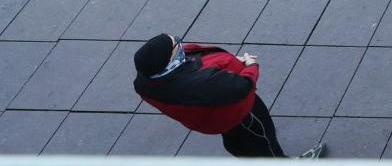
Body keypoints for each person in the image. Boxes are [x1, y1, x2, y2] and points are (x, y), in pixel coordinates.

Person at [132, 34, 324, 159]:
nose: (181, 44)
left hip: (217, 119)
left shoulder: (146, 83)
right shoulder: (200, 83)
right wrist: (250, 66)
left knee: (237, 145)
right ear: (170, 60)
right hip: (241, 114)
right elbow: (242, 86)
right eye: (177, 44)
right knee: (264, 142)